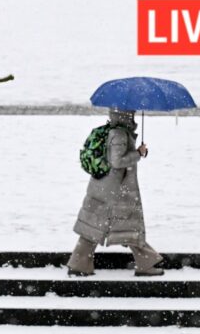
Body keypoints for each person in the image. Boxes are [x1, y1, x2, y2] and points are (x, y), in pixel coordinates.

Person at [67, 108, 164, 277]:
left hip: (106, 187)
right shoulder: (119, 134)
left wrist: (136, 152)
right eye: (131, 114)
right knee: (128, 227)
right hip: (116, 191)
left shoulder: (116, 131)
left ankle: (79, 264)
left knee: (96, 228)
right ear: (125, 115)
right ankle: (146, 264)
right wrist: (137, 154)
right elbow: (117, 161)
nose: (133, 116)